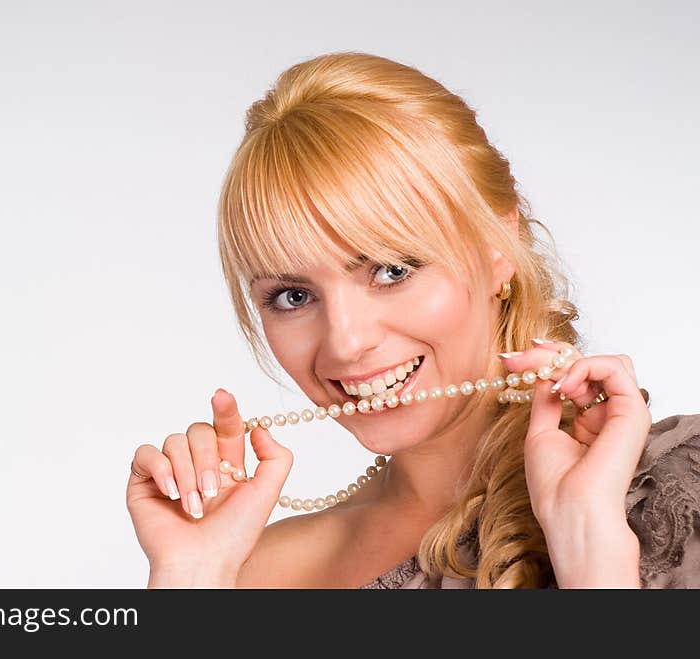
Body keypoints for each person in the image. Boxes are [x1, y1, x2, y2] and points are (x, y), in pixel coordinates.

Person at [125, 51, 700, 588]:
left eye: (392, 270)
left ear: (500, 245)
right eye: (293, 297)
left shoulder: (676, 491)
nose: (346, 344)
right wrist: (188, 577)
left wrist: (593, 555)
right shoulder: (258, 573)